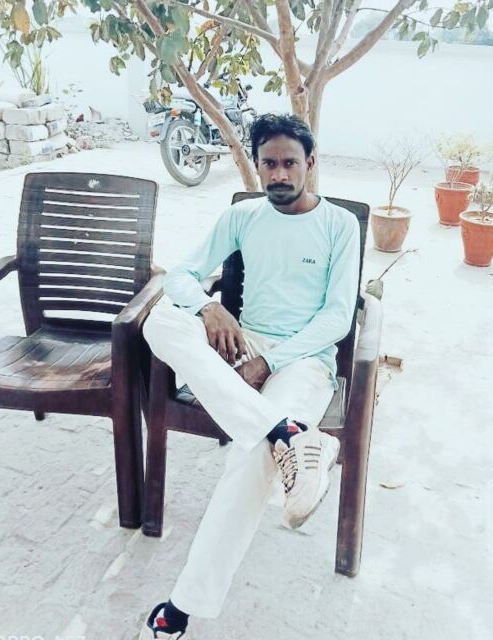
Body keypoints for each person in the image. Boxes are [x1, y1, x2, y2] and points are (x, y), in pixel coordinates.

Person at [140, 113, 361, 639]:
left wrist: (271, 362)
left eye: (289, 163)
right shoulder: (243, 216)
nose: (279, 174)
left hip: (305, 359)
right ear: (257, 165)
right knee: (160, 321)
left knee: (253, 456)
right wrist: (209, 309)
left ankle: (182, 606)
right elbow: (179, 275)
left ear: (310, 163)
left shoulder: (340, 225)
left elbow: (337, 318)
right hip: (244, 341)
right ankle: (286, 432)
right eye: (269, 164)